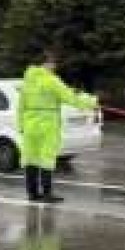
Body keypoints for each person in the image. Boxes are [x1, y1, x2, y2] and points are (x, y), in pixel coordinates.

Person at [17, 49, 98, 203]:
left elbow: (20, 107)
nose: (54, 66)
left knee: (31, 158)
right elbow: (70, 97)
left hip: (29, 125)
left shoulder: (27, 82)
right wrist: (91, 101)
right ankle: (47, 194)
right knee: (47, 158)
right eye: (53, 63)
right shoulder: (51, 80)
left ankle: (32, 194)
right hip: (48, 123)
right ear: (46, 63)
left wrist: (21, 125)